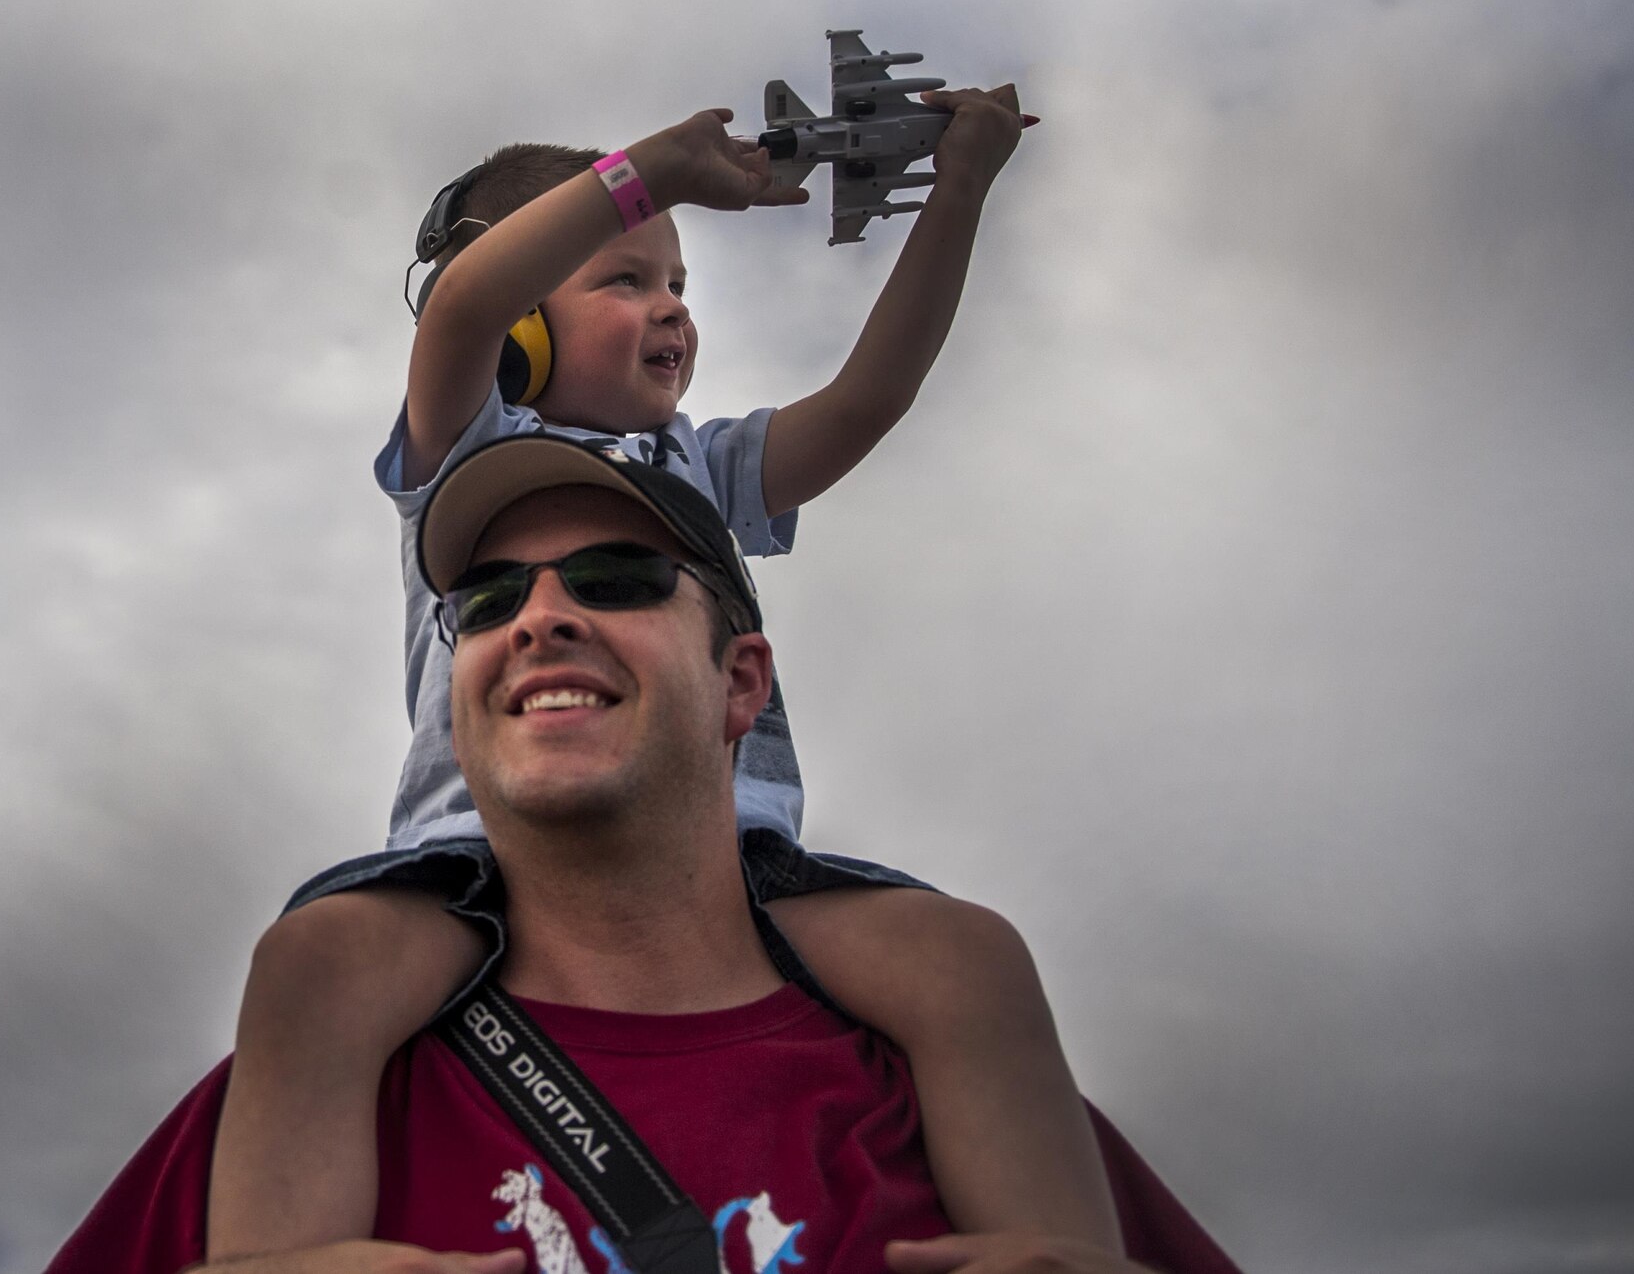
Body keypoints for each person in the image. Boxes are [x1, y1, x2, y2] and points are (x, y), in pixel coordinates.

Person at [209, 91, 1134, 1264]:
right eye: (623, 280)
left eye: (679, 288)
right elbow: (461, 307)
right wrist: (648, 173)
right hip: (477, 865)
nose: (666, 312)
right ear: (522, 335)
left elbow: (868, 399)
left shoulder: (701, 463)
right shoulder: (465, 451)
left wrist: (957, 193)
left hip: (726, 860)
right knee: (319, 961)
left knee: (963, 958)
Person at [47, 440, 1240, 1274]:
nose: (539, 616)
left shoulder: (942, 1068)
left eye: (616, 579)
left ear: (740, 683)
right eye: (484, 600)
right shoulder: (316, 1067)